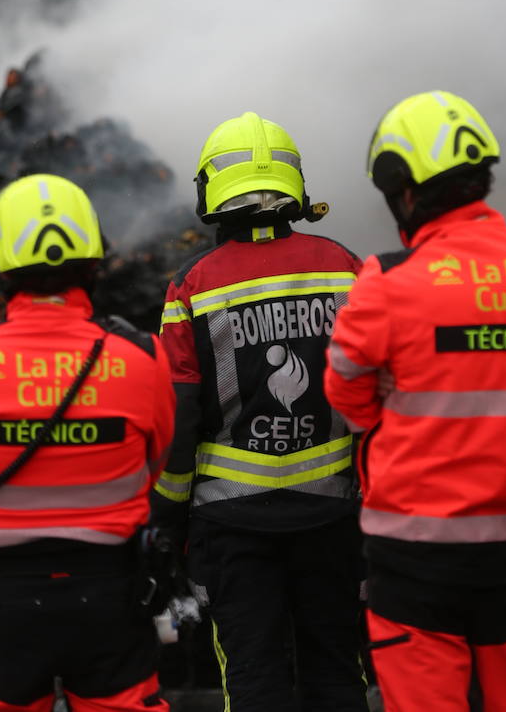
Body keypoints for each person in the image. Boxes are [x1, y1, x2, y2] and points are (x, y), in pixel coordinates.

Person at [325, 90, 506, 712]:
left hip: (415, 547)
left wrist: (396, 394)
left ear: (404, 192)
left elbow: (347, 398)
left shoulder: (388, 280)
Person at [0, 172, 176, 712]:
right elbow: (154, 466)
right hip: (112, 596)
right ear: (93, 261)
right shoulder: (143, 355)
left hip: (1, 602)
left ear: (1, 262)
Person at [151, 111, 368, 712]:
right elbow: (376, 394)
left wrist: (167, 515)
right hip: (331, 513)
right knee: (337, 671)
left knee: (253, 679)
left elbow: (180, 414)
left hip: (232, 526)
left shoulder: (191, 286)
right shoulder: (347, 267)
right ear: (293, 184)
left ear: (211, 190)